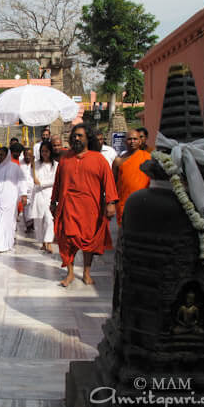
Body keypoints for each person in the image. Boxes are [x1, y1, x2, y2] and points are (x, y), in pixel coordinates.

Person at [51, 123, 118, 287]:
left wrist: (111, 203)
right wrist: (53, 201)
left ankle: (87, 273)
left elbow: (108, 182)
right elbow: (57, 182)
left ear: (88, 138)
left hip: (90, 208)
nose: (76, 138)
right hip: (68, 206)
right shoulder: (65, 159)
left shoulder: (99, 159)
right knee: (67, 241)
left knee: (89, 243)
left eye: (80, 135)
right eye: (74, 135)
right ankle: (70, 273)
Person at [112, 129, 152, 226]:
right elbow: (112, 184)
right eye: (129, 139)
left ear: (140, 141)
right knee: (124, 232)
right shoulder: (118, 161)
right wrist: (111, 203)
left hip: (144, 202)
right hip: (124, 203)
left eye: (135, 139)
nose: (132, 141)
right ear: (125, 141)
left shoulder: (148, 158)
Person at [31, 140, 58, 253]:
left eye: (46, 151)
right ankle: (43, 242)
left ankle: (49, 242)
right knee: (39, 220)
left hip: (49, 195)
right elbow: (34, 179)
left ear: (50, 152)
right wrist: (32, 166)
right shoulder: (36, 164)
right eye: (42, 151)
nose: (44, 153)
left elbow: (54, 180)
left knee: (49, 219)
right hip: (38, 195)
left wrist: (42, 183)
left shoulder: (56, 165)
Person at [20, 147, 35, 233]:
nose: (28, 157)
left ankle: (32, 223)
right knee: (26, 208)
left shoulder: (35, 164)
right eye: (26, 155)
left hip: (33, 189)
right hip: (24, 189)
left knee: (33, 208)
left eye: (29, 155)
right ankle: (28, 225)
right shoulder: (20, 164)